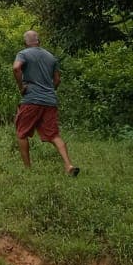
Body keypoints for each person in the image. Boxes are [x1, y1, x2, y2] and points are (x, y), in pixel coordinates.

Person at [13, 30, 79, 175]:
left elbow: (16, 68)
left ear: (25, 43)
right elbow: (57, 80)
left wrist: (21, 87)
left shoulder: (23, 54)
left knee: (21, 134)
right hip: (50, 101)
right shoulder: (51, 57)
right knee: (54, 135)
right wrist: (50, 91)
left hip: (31, 100)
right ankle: (68, 165)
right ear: (39, 41)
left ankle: (28, 170)